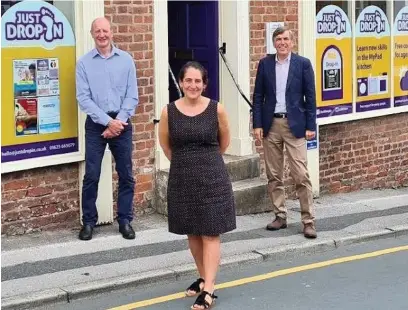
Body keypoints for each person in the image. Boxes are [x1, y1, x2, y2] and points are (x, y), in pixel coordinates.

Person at [158, 61, 236, 309]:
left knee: (210, 232)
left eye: (198, 81)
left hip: (212, 177)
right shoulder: (168, 111)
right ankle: (204, 277)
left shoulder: (217, 110)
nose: (193, 85)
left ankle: (210, 289)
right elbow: (166, 145)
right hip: (182, 177)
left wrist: (205, 160)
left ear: (204, 84)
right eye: (188, 80)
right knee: (192, 231)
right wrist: (185, 162)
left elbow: (224, 143)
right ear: (181, 83)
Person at [75, 17, 139, 241]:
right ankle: (89, 222)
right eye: (97, 31)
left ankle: (124, 220)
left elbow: (132, 96)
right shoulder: (84, 63)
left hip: (122, 122)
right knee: (91, 175)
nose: (102, 35)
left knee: (126, 174)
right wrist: (107, 122)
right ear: (92, 34)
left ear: (112, 32)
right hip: (96, 124)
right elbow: (84, 99)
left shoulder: (126, 60)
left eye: (105, 31)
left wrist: (118, 122)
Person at [252, 26, 317, 239]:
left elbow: (310, 98)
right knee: (274, 174)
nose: (282, 43)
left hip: (295, 124)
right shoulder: (265, 64)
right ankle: (280, 215)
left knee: (301, 174)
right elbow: (258, 96)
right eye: (278, 39)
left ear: (292, 42)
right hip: (271, 124)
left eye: (286, 39)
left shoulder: (303, 64)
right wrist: (258, 124)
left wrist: (310, 126)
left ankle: (308, 221)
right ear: (274, 42)